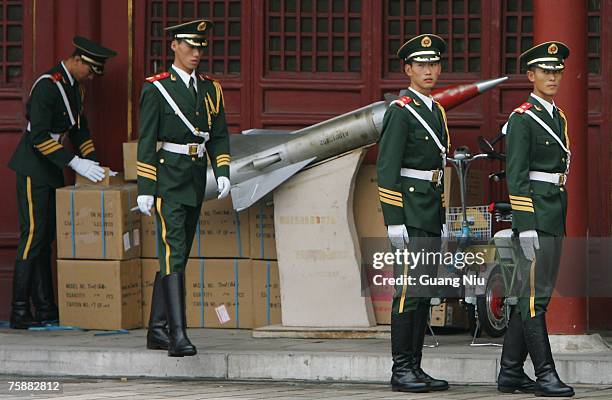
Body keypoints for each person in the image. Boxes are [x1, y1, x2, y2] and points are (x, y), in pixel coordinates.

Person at [136, 19, 231, 357]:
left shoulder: (210, 88)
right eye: (189, 46)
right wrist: (146, 186)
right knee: (172, 251)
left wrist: (222, 170)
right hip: (167, 178)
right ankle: (178, 335)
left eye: (200, 47)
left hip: (193, 177)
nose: (196, 53)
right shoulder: (157, 88)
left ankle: (156, 330)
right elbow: (146, 140)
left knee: (178, 252)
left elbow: (218, 135)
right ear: (173, 46)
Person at [7, 36, 116, 329]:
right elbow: (38, 137)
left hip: (53, 168)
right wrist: (74, 162)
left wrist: (92, 162)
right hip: (33, 167)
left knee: (45, 239)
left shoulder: (75, 87)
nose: (92, 77)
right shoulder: (48, 85)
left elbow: (79, 130)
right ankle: (19, 309)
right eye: (90, 70)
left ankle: (44, 308)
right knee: (32, 237)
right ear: (78, 60)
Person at [499, 41, 574, 397]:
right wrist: (525, 224)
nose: (553, 76)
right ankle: (545, 373)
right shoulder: (522, 119)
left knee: (527, 296)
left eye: (557, 71)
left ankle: (510, 373)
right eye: (545, 71)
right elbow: (517, 176)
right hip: (535, 218)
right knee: (534, 299)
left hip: (553, 213)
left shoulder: (557, 117)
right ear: (531, 76)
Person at [376, 34, 450, 393]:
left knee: (422, 291)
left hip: (430, 208)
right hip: (408, 210)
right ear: (407, 69)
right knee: (407, 290)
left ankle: (416, 368)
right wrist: (393, 219)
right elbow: (387, 169)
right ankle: (400, 368)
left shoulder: (436, 111)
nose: (429, 70)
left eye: (433, 64)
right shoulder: (400, 111)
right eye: (421, 64)